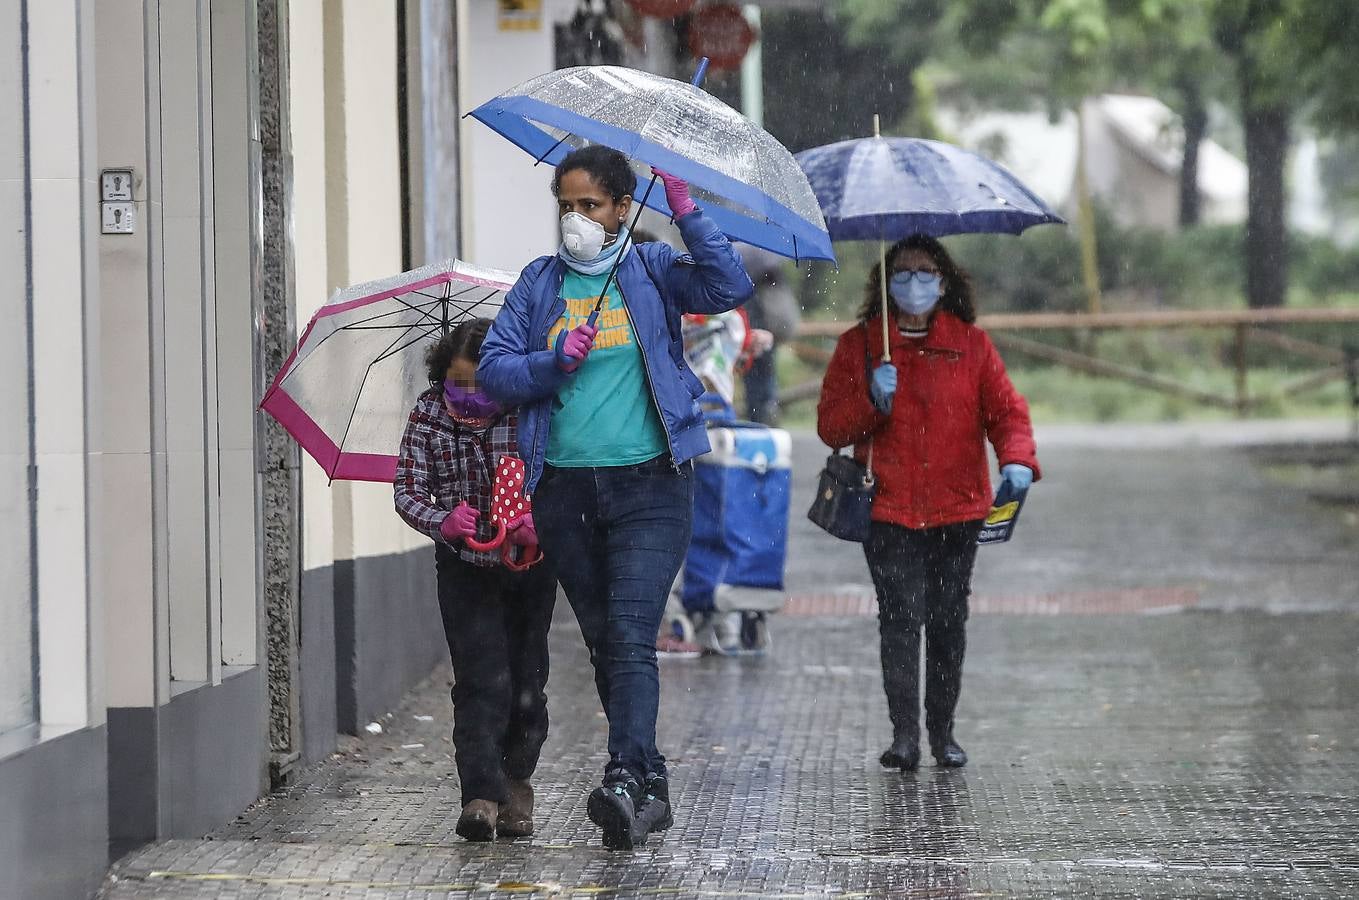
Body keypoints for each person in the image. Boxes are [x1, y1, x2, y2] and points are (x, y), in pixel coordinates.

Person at [478, 145, 753, 849]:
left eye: (590, 206)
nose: (575, 220)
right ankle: (649, 786)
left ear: (621, 209)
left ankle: (626, 777)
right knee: (606, 645)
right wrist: (549, 361)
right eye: (565, 206)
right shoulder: (540, 284)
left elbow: (725, 287)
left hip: (651, 485)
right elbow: (495, 373)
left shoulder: (652, 270)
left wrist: (687, 211)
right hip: (565, 490)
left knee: (630, 636)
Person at [816, 234, 1040, 771]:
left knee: (946, 620)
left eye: (925, 272)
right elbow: (831, 427)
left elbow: (1007, 412)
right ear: (886, 283)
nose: (915, 282)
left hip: (957, 511)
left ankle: (943, 732)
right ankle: (904, 737)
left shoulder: (973, 346)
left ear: (944, 282)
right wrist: (873, 398)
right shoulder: (861, 347)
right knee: (899, 619)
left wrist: (1017, 459)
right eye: (904, 272)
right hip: (888, 509)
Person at [394, 318, 556, 841]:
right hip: (464, 568)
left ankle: (517, 782)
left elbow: (558, 474)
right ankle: (481, 796)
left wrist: (540, 522)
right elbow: (407, 488)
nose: (467, 396)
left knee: (527, 681)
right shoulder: (427, 415)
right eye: (457, 383)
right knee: (480, 680)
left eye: (481, 383)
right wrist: (440, 521)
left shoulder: (530, 409)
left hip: (528, 568)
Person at [738, 243, 800, 424]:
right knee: (765, 376)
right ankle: (766, 414)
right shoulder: (772, 268)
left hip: (759, 335)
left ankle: (760, 417)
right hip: (770, 333)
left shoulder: (752, 278)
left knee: (757, 378)